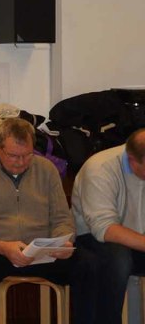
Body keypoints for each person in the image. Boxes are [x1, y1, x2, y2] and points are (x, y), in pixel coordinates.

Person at [0, 117, 98, 323]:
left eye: (27, 155)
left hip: (43, 252)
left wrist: (62, 241)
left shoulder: (46, 169)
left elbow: (62, 218)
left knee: (89, 264)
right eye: (13, 156)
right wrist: (1, 246)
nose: (21, 162)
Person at [72, 127, 145, 323]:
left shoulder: (139, 164)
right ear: (132, 161)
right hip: (94, 239)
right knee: (117, 259)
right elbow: (104, 228)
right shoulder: (100, 169)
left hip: (138, 237)